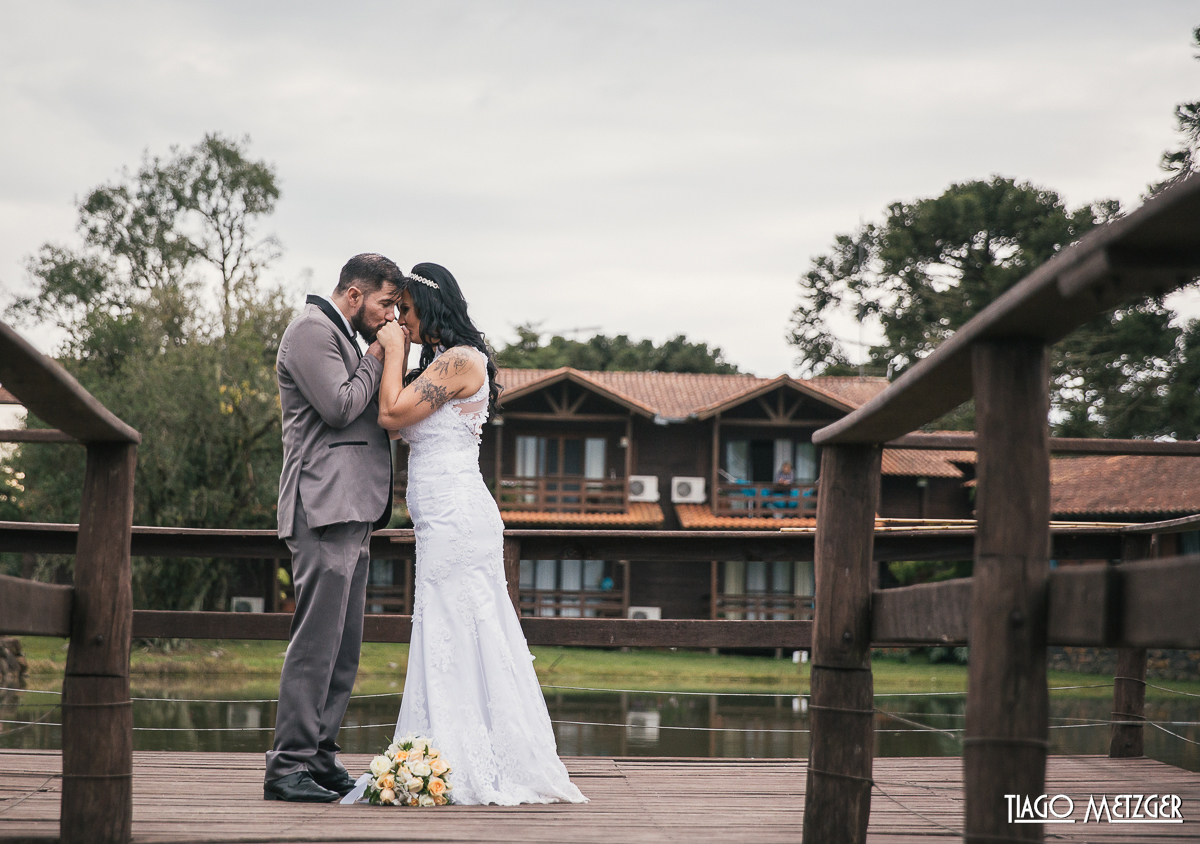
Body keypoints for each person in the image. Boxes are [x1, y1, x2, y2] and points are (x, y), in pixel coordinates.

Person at [363, 262, 587, 806]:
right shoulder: (440, 363)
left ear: (432, 310)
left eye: (408, 311)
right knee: (443, 630)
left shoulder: (462, 361)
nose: (401, 321)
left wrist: (390, 351)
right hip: (440, 519)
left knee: (462, 627)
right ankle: (442, 751)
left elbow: (392, 413)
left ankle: (470, 759)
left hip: (458, 518)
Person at [265, 253, 405, 803]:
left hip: (354, 511)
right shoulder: (310, 331)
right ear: (354, 294)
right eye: (385, 304)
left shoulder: (341, 332)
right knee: (314, 644)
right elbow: (340, 406)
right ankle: (288, 765)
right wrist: (377, 354)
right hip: (321, 508)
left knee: (345, 647)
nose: (390, 317)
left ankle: (320, 753)